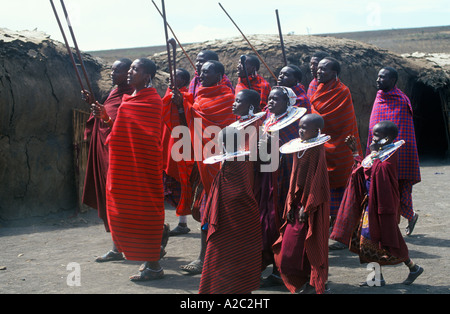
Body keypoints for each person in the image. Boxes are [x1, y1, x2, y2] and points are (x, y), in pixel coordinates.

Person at [330, 121, 424, 287]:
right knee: (368, 240)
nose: (372, 139)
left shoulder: (389, 155)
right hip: (371, 204)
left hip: (383, 207)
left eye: (376, 136)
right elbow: (365, 169)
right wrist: (355, 153)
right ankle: (377, 277)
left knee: (388, 239)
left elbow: (378, 171)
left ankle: (413, 267)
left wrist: (373, 154)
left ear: (387, 139)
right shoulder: (380, 153)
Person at [97, 58, 165, 281]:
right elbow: (121, 129)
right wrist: (105, 117)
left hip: (143, 167)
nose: (129, 72)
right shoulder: (130, 99)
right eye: (130, 69)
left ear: (146, 76)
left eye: (135, 69)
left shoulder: (153, 101)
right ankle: (148, 256)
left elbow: (148, 136)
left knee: (146, 212)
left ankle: (154, 266)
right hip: (125, 167)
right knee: (122, 210)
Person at [167, 60, 236, 275]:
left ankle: (219, 259)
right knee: (207, 212)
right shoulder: (199, 97)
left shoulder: (230, 99)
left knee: (226, 215)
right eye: (200, 72)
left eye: (207, 72)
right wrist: (180, 106)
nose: (202, 75)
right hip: (205, 165)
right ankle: (206, 257)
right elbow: (190, 125)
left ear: (220, 76)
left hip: (226, 167)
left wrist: (185, 106)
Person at [81, 58, 134, 263]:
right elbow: (107, 114)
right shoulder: (116, 91)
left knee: (120, 200)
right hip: (105, 152)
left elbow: (122, 124)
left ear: (129, 73)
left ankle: (152, 241)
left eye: (116, 70)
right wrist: (93, 105)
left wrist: (104, 116)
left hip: (119, 156)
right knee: (109, 199)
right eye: (111, 70)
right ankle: (117, 247)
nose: (112, 74)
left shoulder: (131, 95)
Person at [199, 126, 262, 294]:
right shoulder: (234, 160)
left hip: (232, 221)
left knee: (223, 257)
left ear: (224, 143)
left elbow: (236, 194)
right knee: (235, 258)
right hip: (236, 220)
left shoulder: (236, 163)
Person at [273, 114, 330, 294]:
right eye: (300, 126)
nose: (301, 130)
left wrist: (308, 205)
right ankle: (303, 281)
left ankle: (315, 283)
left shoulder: (317, 150)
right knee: (289, 248)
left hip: (312, 204)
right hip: (296, 203)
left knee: (311, 242)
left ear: (316, 131)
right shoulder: (299, 147)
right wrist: (290, 203)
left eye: (305, 128)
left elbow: (317, 179)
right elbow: (294, 177)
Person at [256, 86, 302, 286]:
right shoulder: (268, 120)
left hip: (284, 180)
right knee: (266, 220)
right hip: (267, 177)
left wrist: (271, 146)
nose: (270, 103)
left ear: (288, 102)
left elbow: (293, 151)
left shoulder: (294, 124)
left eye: (275, 99)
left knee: (280, 221)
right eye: (269, 99)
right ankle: (269, 265)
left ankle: (279, 270)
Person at [309, 57, 362, 230]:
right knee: (324, 188)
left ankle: (345, 230)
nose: (319, 71)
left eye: (324, 69)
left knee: (343, 190)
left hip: (340, 148)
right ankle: (331, 226)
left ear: (334, 73)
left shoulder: (342, 91)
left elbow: (337, 120)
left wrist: (313, 118)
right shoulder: (318, 89)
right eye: (319, 69)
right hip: (323, 148)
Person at [367, 67, 421, 236]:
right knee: (379, 187)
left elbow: (403, 131)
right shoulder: (379, 98)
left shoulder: (401, 100)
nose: (378, 80)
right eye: (378, 77)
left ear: (393, 81)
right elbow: (373, 128)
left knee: (397, 186)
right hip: (378, 151)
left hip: (398, 153)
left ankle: (407, 217)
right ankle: (388, 226)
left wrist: (392, 150)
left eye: (382, 77)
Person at [161, 68, 193, 236]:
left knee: (182, 182)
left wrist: (181, 105)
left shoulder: (187, 96)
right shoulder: (166, 96)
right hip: (167, 144)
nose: (171, 78)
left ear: (184, 80)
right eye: (170, 76)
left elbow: (188, 119)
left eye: (176, 76)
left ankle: (182, 222)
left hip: (181, 144)